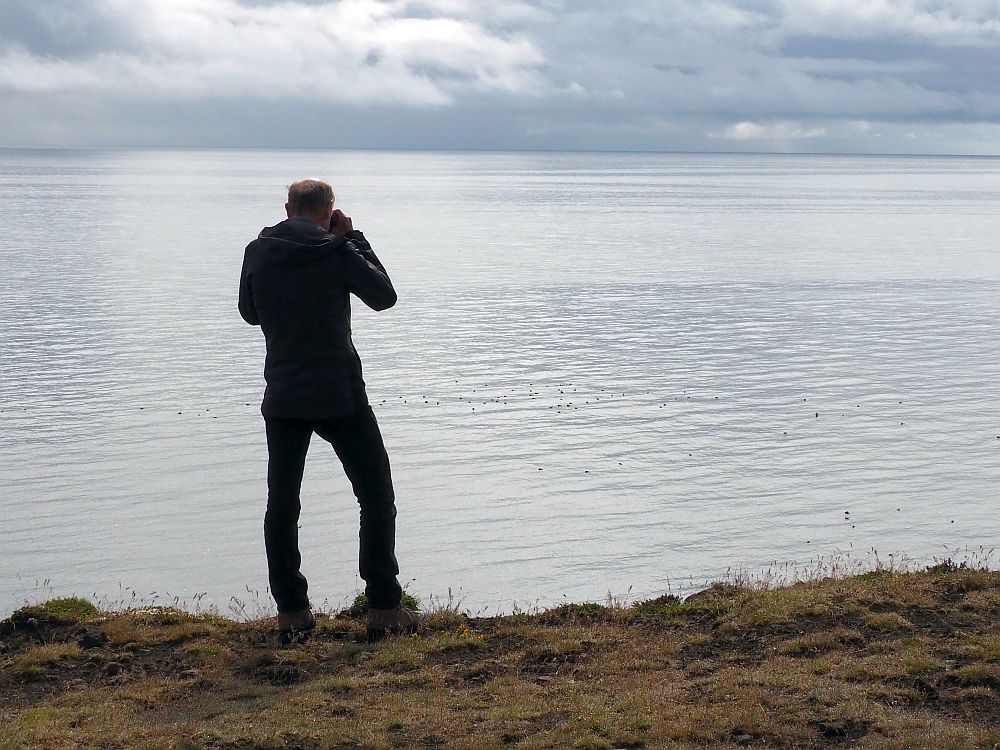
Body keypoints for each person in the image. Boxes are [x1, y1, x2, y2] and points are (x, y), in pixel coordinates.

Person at [238, 178, 419, 643]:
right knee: (376, 496)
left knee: (283, 503)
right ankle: (383, 606)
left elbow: (250, 313)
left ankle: (292, 612)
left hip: (283, 397)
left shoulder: (257, 251)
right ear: (330, 211)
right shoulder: (337, 251)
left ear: (287, 208)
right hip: (340, 394)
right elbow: (384, 296)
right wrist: (353, 239)